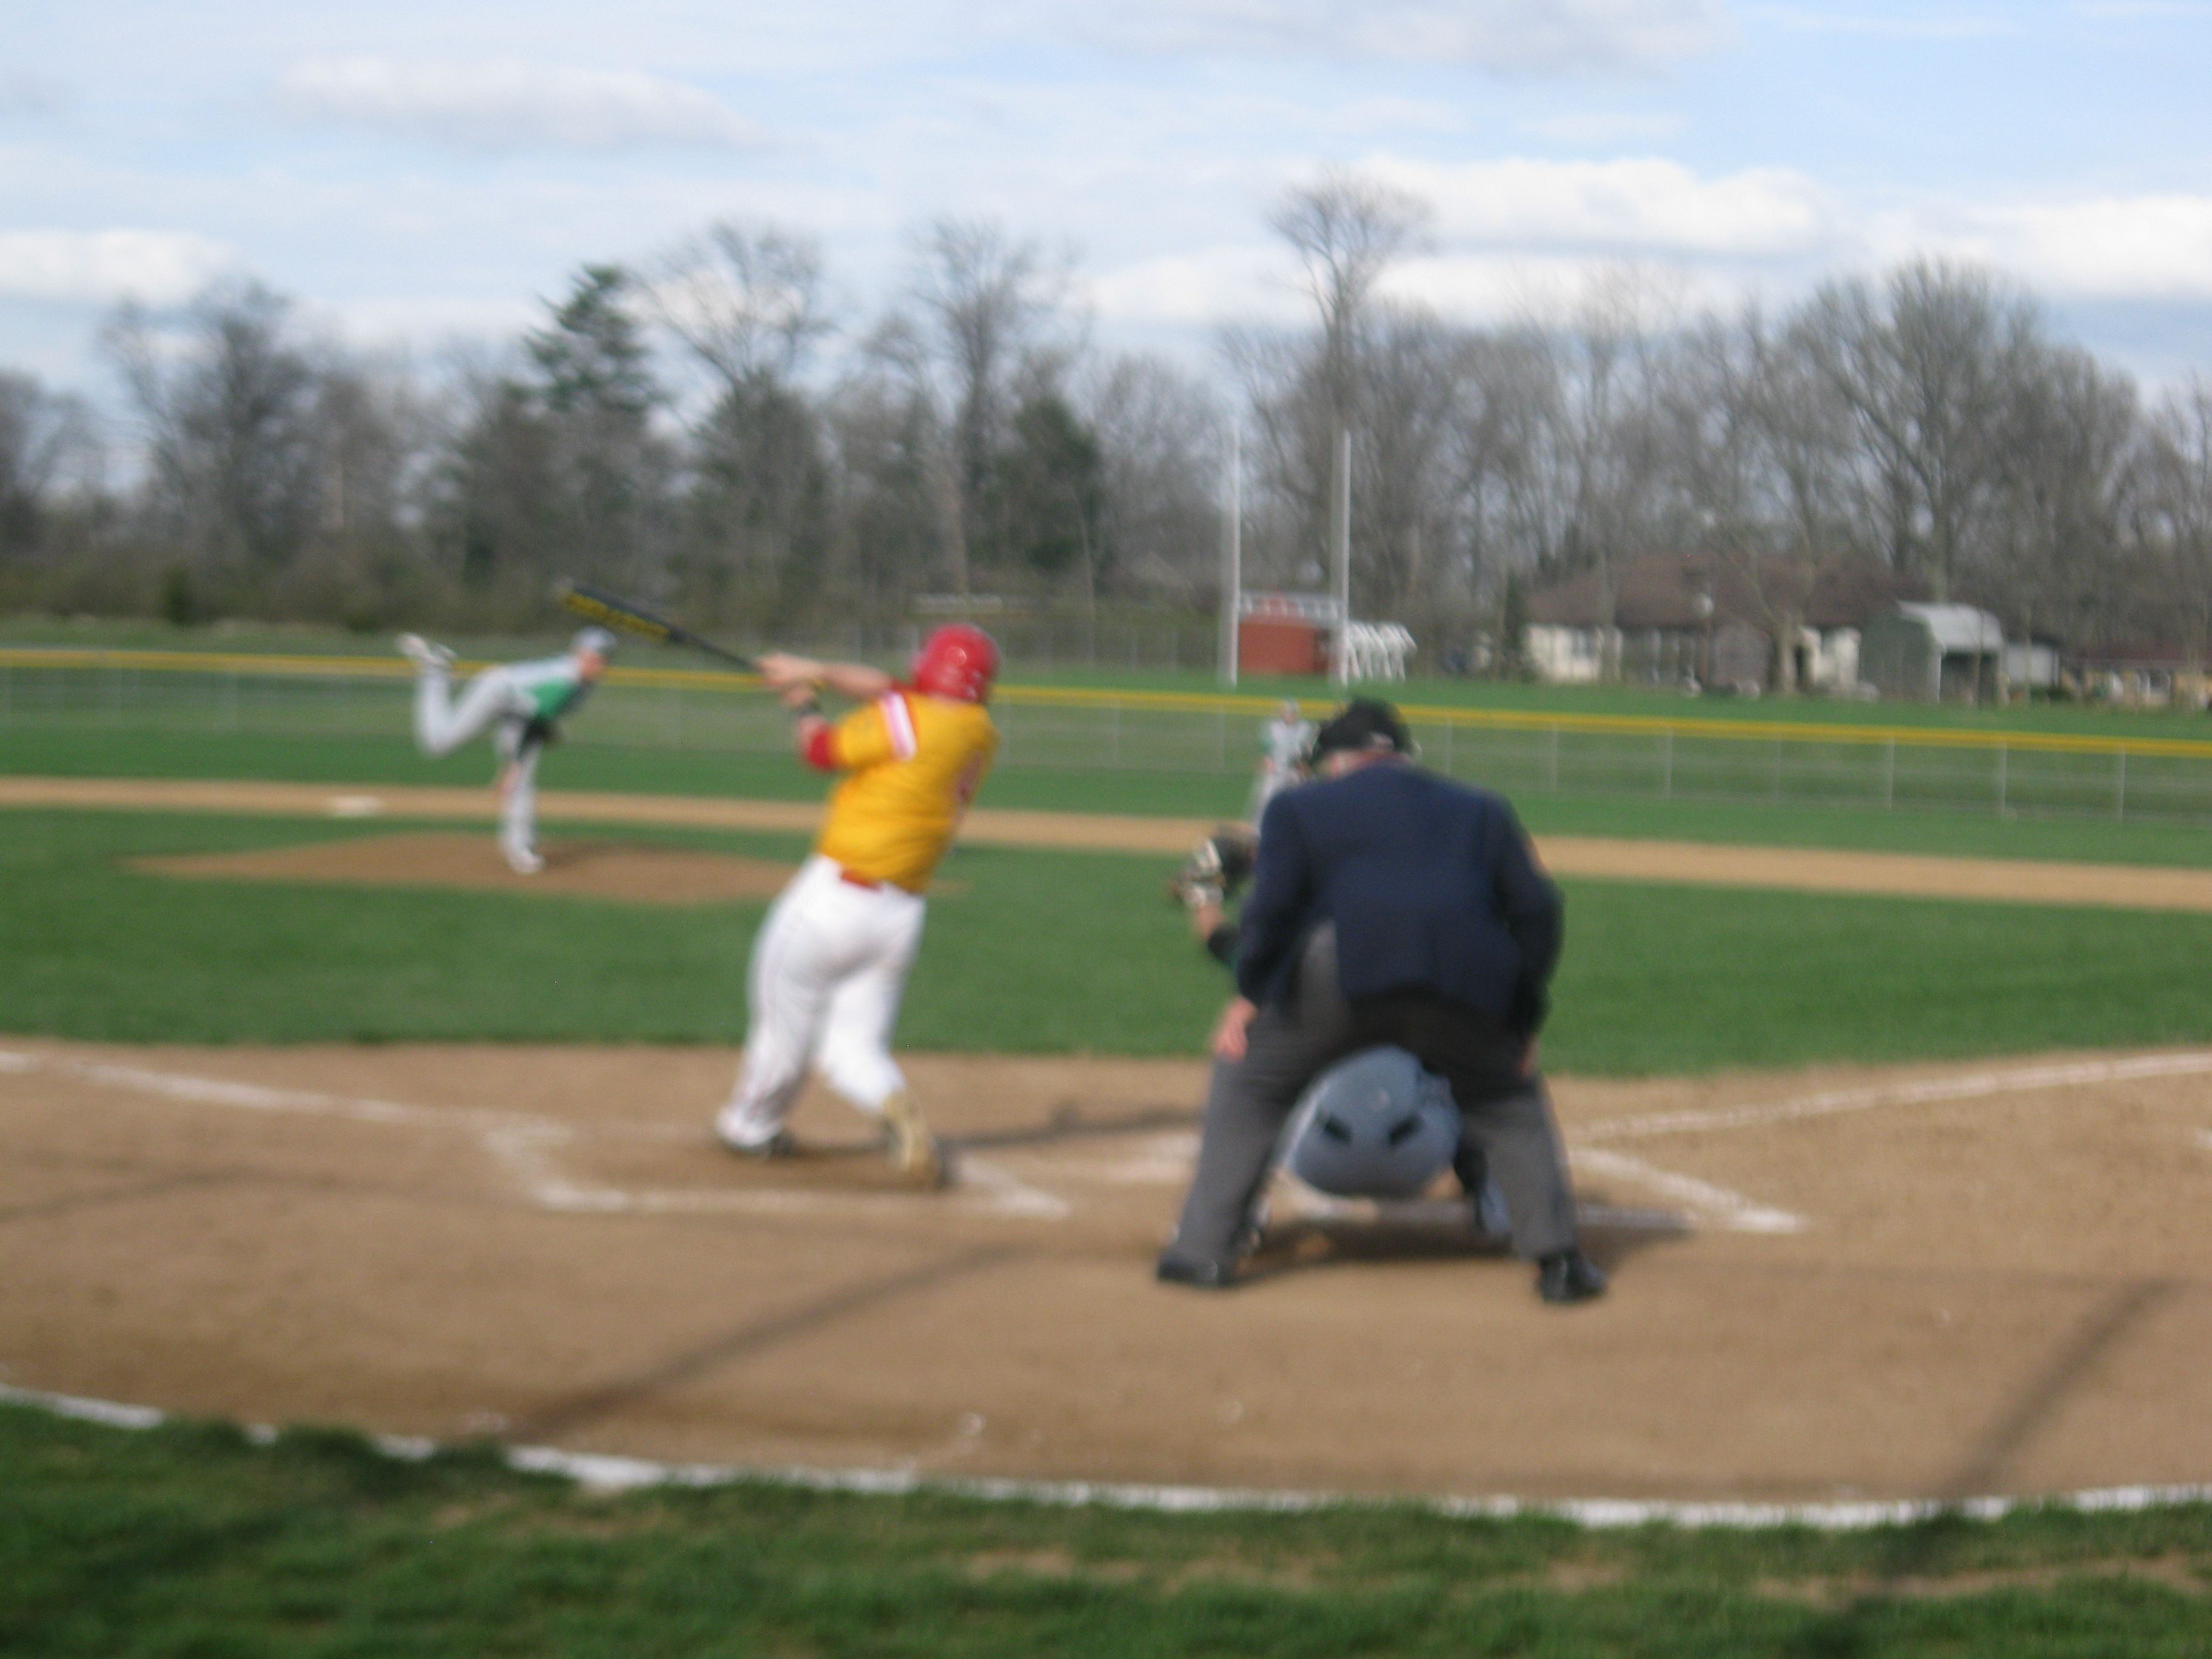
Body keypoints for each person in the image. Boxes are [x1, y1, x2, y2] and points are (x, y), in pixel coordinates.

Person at [1156, 697, 1606, 1304]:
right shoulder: (1482, 809)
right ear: (1400, 757)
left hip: (1344, 966)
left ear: (1331, 762)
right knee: (1506, 1100)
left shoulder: (1298, 807)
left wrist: (1251, 997)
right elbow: (1537, 912)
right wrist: (1521, 1018)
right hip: (1467, 968)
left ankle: (1202, 1253)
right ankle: (1559, 1263)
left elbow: (1271, 915)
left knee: (1252, 1081)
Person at [712, 625, 1000, 1188]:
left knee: (782, 1023)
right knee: (853, 1049)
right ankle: (894, 1104)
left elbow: (819, 751)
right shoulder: (979, 732)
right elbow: (888, 689)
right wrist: (810, 668)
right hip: (898, 917)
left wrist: (804, 706)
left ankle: (749, 1126)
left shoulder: (908, 717)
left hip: (831, 901)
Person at [397, 626, 615, 874]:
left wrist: (537, 743)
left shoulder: (583, 683)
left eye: (603, 659)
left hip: (519, 710)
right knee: (437, 744)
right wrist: (511, 767)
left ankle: (521, 848)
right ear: (579, 654)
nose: (599, 665)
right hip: (497, 692)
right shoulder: (565, 680)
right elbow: (533, 722)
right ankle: (435, 669)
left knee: (522, 781)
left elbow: (537, 718)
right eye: (594, 658)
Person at [1248, 699, 1313, 822]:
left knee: (1302, 798)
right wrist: (1267, 761)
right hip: (1277, 768)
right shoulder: (1273, 727)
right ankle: (1259, 827)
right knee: (1265, 798)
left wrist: (1306, 765)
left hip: (1295, 769)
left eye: (1292, 712)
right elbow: (1266, 748)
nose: (1289, 715)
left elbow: (1309, 749)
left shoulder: (1305, 728)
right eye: (1287, 712)